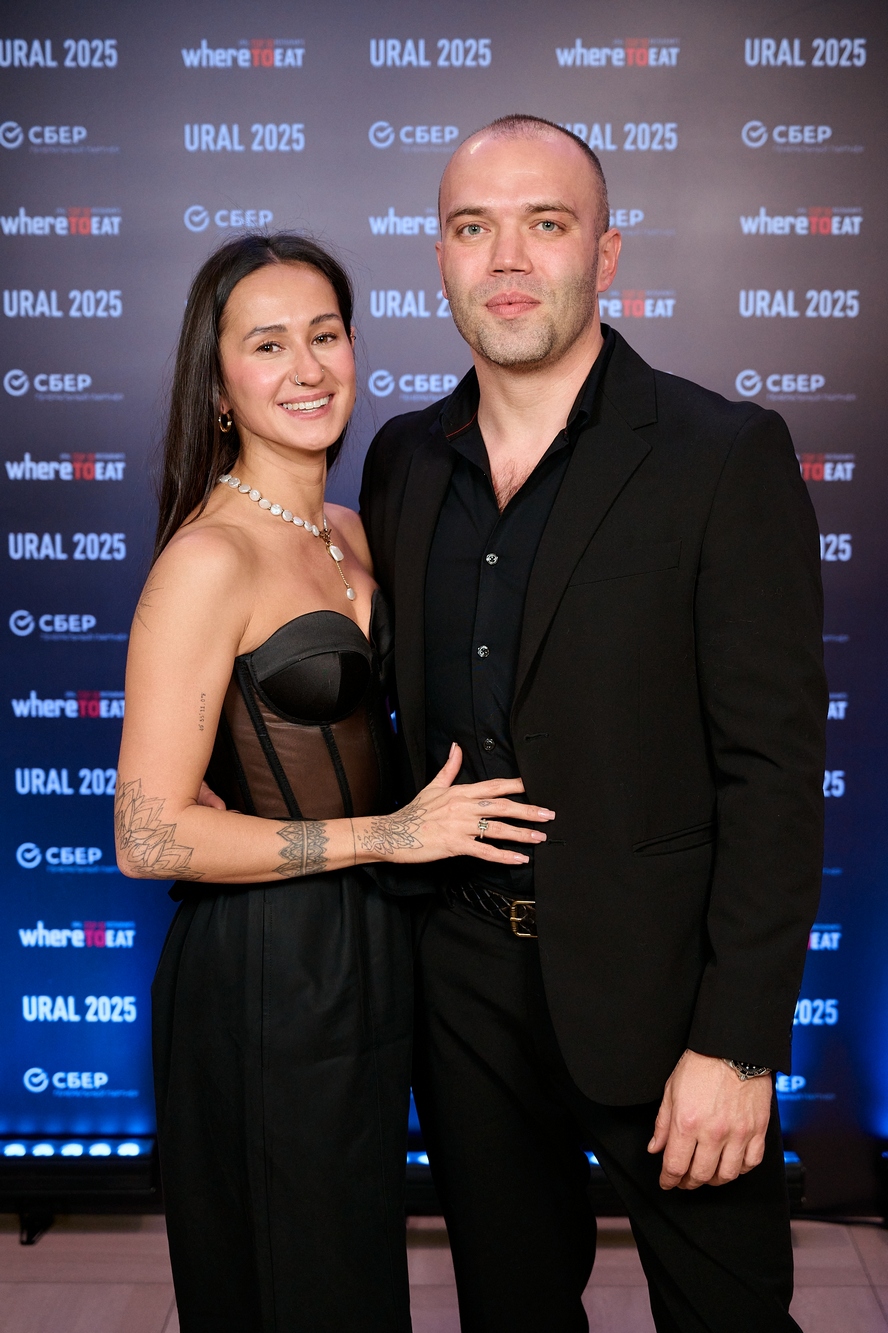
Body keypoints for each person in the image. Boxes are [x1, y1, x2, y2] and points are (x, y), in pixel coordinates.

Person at [359, 116, 826, 1332]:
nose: (507, 257)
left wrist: (739, 1043)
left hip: (666, 999)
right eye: (474, 227)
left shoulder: (722, 455)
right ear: (441, 257)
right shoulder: (402, 460)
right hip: (461, 989)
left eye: (547, 224)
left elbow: (775, 773)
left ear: (607, 254)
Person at [114, 232, 553, 1332]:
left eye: (325, 335)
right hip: (266, 968)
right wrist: (387, 835)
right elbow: (148, 836)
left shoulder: (351, 529)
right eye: (268, 345)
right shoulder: (208, 559)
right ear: (218, 387)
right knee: (294, 1281)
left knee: (355, 1274)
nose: (307, 368)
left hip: (376, 950)